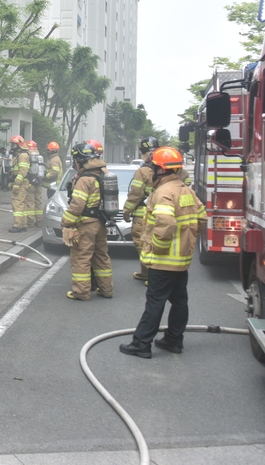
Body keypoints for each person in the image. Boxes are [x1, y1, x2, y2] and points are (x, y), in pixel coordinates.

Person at [120, 146, 207, 358]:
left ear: (160, 169)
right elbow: (202, 218)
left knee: (155, 301)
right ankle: (174, 340)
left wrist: (158, 247)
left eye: (153, 168)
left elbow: (166, 222)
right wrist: (187, 239)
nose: (151, 171)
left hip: (163, 260)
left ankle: (141, 343)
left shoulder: (163, 192)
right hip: (182, 259)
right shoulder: (186, 190)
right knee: (179, 300)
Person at [61, 142, 113, 301]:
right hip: (100, 224)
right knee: (101, 257)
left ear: (80, 160)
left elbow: (77, 206)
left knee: (81, 258)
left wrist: (66, 222)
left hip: (86, 225)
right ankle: (106, 290)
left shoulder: (85, 179)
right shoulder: (103, 173)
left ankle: (81, 293)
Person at [124, 136, 159, 284]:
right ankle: (146, 273)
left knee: (142, 243)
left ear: (142, 152)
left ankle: (153, 275)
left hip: (143, 215)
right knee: (154, 243)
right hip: (162, 213)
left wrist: (126, 210)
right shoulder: (168, 169)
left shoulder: (143, 171)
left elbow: (136, 194)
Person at [8, 135, 30, 233]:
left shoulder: (22, 155)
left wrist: (16, 183)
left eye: (14, 145)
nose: (12, 147)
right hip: (20, 182)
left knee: (17, 204)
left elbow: (23, 171)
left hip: (20, 183)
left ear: (19, 145)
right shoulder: (19, 155)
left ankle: (17, 226)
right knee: (22, 205)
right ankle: (23, 225)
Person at [27, 140, 44, 227]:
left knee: (30, 203)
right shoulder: (39, 156)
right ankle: (39, 221)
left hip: (30, 184)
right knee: (38, 202)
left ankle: (30, 222)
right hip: (39, 183)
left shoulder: (28, 157)